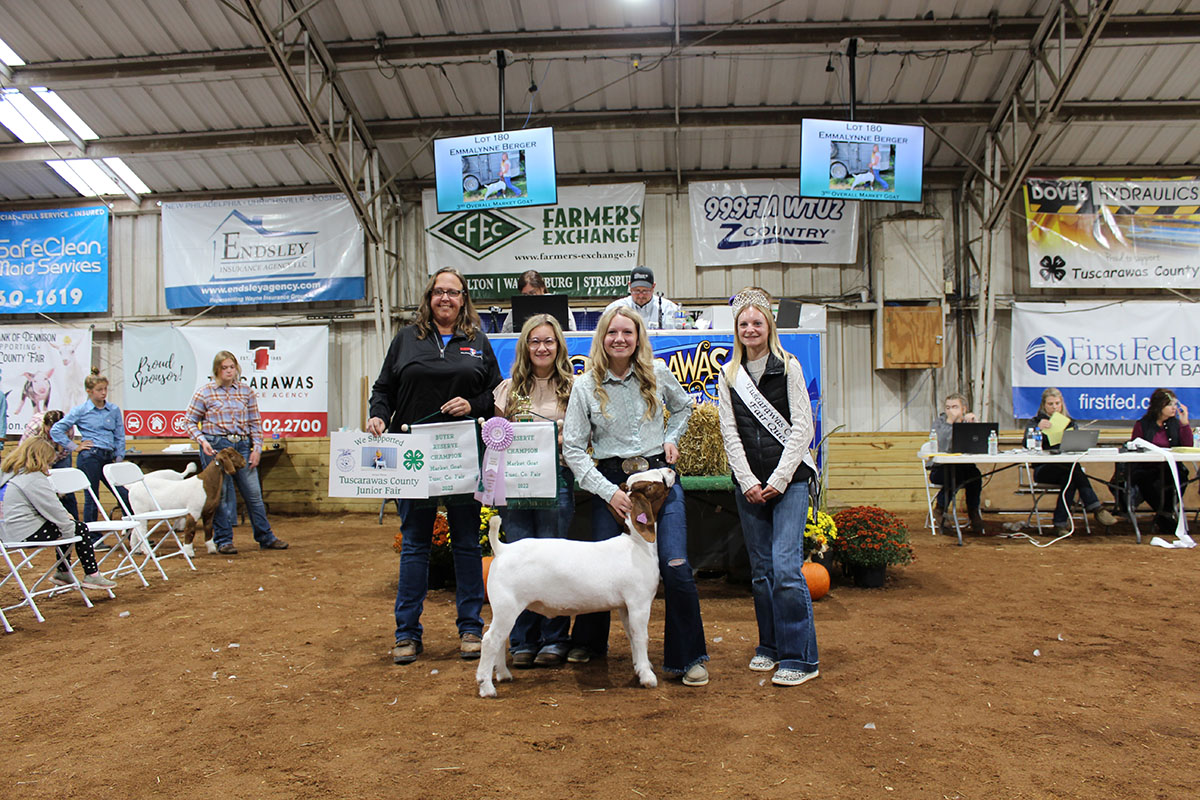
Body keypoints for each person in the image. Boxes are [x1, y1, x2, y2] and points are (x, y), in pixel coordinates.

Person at [562, 306, 709, 686]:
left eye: (627, 332)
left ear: (638, 337)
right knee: (598, 567)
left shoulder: (657, 373)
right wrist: (608, 492)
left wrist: (671, 437)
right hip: (612, 485)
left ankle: (688, 657)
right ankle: (589, 642)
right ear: (602, 338)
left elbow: (684, 407)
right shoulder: (585, 386)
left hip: (658, 484)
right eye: (612, 332)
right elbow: (573, 448)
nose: (620, 339)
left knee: (675, 565)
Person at [368, 267, 502, 665]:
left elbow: (496, 393)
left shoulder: (477, 341)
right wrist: (378, 415)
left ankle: (471, 629)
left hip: (463, 455)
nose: (446, 298)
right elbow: (383, 389)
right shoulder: (405, 339)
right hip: (414, 455)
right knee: (414, 544)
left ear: (463, 299)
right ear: (429, 297)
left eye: (453, 292)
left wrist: (471, 404)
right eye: (439, 291)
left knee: (466, 543)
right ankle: (407, 633)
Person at [717, 288, 819, 687]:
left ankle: (801, 658)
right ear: (737, 329)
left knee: (786, 568)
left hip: (789, 481)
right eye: (743, 323)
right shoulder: (729, 375)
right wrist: (747, 480)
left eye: (757, 322)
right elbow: (729, 432)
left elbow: (803, 429)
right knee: (761, 571)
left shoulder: (789, 367)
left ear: (769, 325)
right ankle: (770, 646)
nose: (750, 329)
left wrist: (777, 480)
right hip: (750, 485)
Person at [492, 313, 575, 668]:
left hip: (557, 481)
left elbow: (582, 436)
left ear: (559, 346)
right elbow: (495, 436)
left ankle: (554, 639)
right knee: (519, 563)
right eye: (535, 341)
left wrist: (559, 441)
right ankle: (523, 641)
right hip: (517, 485)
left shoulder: (574, 387)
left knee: (553, 562)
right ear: (525, 347)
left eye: (548, 341)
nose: (542, 347)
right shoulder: (508, 388)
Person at [183, 351, 288, 555]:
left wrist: (257, 449)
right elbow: (189, 421)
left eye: (232, 367)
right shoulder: (205, 393)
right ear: (217, 370)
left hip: (241, 446)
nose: (229, 371)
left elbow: (255, 423)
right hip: (216, 446)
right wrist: (202, 440)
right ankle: (224, 540)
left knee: (254, 494)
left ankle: (266, 537)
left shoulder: (246, 392)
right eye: (224, 368)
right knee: (220, 495)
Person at [0, 438, 116, 591]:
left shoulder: (11, 473)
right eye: (49, 462)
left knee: (65, 525)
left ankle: (64, 572)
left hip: (7, 531)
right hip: (23, 533)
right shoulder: (32, 478)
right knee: (77, 527)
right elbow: (52, 508)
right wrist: (68, 526)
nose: (50, 465)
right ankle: (91, 575)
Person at [1029, 388, 1118, 533]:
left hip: (1066, 467)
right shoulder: (1035, 422)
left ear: (1062, 404)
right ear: (1043, 405)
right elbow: (1026, 444)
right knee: (1073, 472)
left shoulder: (1069, 423)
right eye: (1050, 404)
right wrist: (1037, 430)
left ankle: (1060, 524)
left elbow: (1076, 447)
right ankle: (1096, 507)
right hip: (1044, 468)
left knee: (1069, 478)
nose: (1054, 407)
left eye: (1057, 403)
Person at [50, 368, 127, 529]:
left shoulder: (113, 410)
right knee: (92, 496)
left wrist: (119, 457)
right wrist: (75, 447)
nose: (103, 393)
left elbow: (120, 434)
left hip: (109, 456)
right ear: (89, 391)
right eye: (99, 390)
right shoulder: (80, 410)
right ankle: (91, 535)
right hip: (90, 456)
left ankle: (133, 532)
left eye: (105, 389)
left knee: (124, 494)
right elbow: (56, 430)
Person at [1128, 388, 1192, 536]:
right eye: (1170, 405)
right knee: (1145, 480)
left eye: (1175, 404)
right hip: (1147, 467)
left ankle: (1164, 514)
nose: (1174, 408)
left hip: (1170, 467)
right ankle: (1165, 516)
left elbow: (1187, 447)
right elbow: (1135, 447)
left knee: (1181, 478)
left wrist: (1185, 423)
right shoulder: (1142, 424)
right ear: (1159, 406)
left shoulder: (1176, 424)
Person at [929, 392, 988, 535]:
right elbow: (942, 444)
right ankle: (940, 509)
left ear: (964, 409)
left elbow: (979, 443)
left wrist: (975, 425)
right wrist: (950, 423)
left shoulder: (967, 422)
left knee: (975, 476)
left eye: (955, 407)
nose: (950, 411)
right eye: (948, 407)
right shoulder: (940, 423)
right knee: (954, 475)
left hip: (964, 467)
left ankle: (973, 512)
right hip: (940, 469)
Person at [22, 410, 77, 518]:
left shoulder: (69, 428)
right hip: (36, 457)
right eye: (50, 431)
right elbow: (25, 451)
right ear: (45, 425)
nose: (52, 435)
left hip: (60, 456)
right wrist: (42, 467)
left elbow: (65, 451)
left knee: (66, 489)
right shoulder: (34, 427)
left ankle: (74, 521)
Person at [602, 266, 684, 330]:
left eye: (645, 291)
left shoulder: (670, 308)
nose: (641, 296)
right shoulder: (614, 308)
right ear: (629, 286)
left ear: (653, 287)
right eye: (636, 291)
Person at [500, 269, 577, 332]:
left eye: (532, 293)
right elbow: (505, 335)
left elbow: (572, 333)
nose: (529, 298)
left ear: (542, 288)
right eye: (525, 295)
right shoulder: (516, 310)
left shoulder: (559, 306)